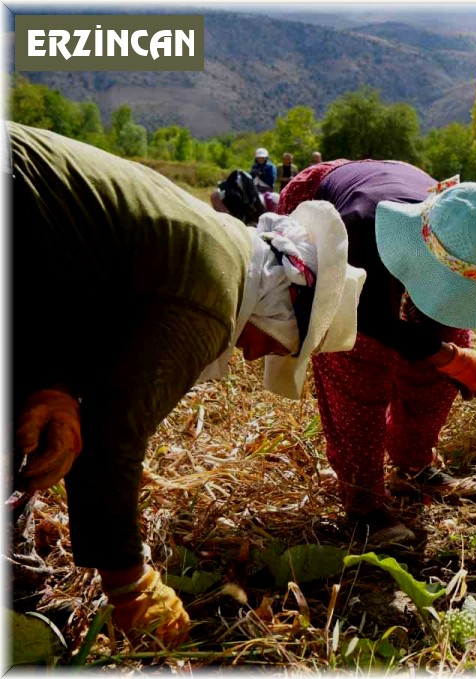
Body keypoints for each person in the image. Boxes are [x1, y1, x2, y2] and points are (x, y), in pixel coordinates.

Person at [10, 123, 366, 646]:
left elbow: (66, 269)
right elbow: (112, 438)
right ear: (286, 306)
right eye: (280, 347)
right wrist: (130, 584)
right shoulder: (210, 299)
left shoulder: (219, 247)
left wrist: (51, 383)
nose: (256, 355)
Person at [278, 163, 476, 532]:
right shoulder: (359, 229)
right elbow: (359, 316)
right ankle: (364, 504)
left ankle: (413, 467)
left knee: (451, 344)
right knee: (360, 359)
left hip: (405, 206)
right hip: (341, 217)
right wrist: (444, 355)